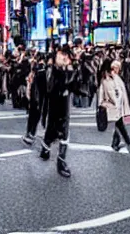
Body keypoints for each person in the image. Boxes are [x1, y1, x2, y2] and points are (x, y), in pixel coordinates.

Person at [40, 45, 82, 178]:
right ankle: (45, 148)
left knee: (64, 134)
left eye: (65, 56)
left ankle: (61, 162)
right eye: (60, 56)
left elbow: (76, 86)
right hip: (53, 106)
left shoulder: (68, 70)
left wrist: (73, 69)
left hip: (64, 107)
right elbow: (50, 87)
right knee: (51, 132)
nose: (63, 58)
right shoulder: (50, 70)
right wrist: (64, 72)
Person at [98, 60, 130, 157]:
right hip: (113, 107)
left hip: (121, 106)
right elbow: (101, 98)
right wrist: (107, 104)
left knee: (119, 125)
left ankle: (116, 143)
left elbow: (123, 92)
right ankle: (128, 145)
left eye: (118, 68)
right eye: (115, 67)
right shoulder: (104, 80)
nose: (117, 70)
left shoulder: (118, 78)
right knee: (121, 126)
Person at [23, 55, 48, 145]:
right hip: (39, 98)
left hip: (36, 97)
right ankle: (31, 133)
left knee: (33, 116)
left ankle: (30, 133)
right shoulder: (43, 71)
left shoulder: (37, 72)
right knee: (36, 115)